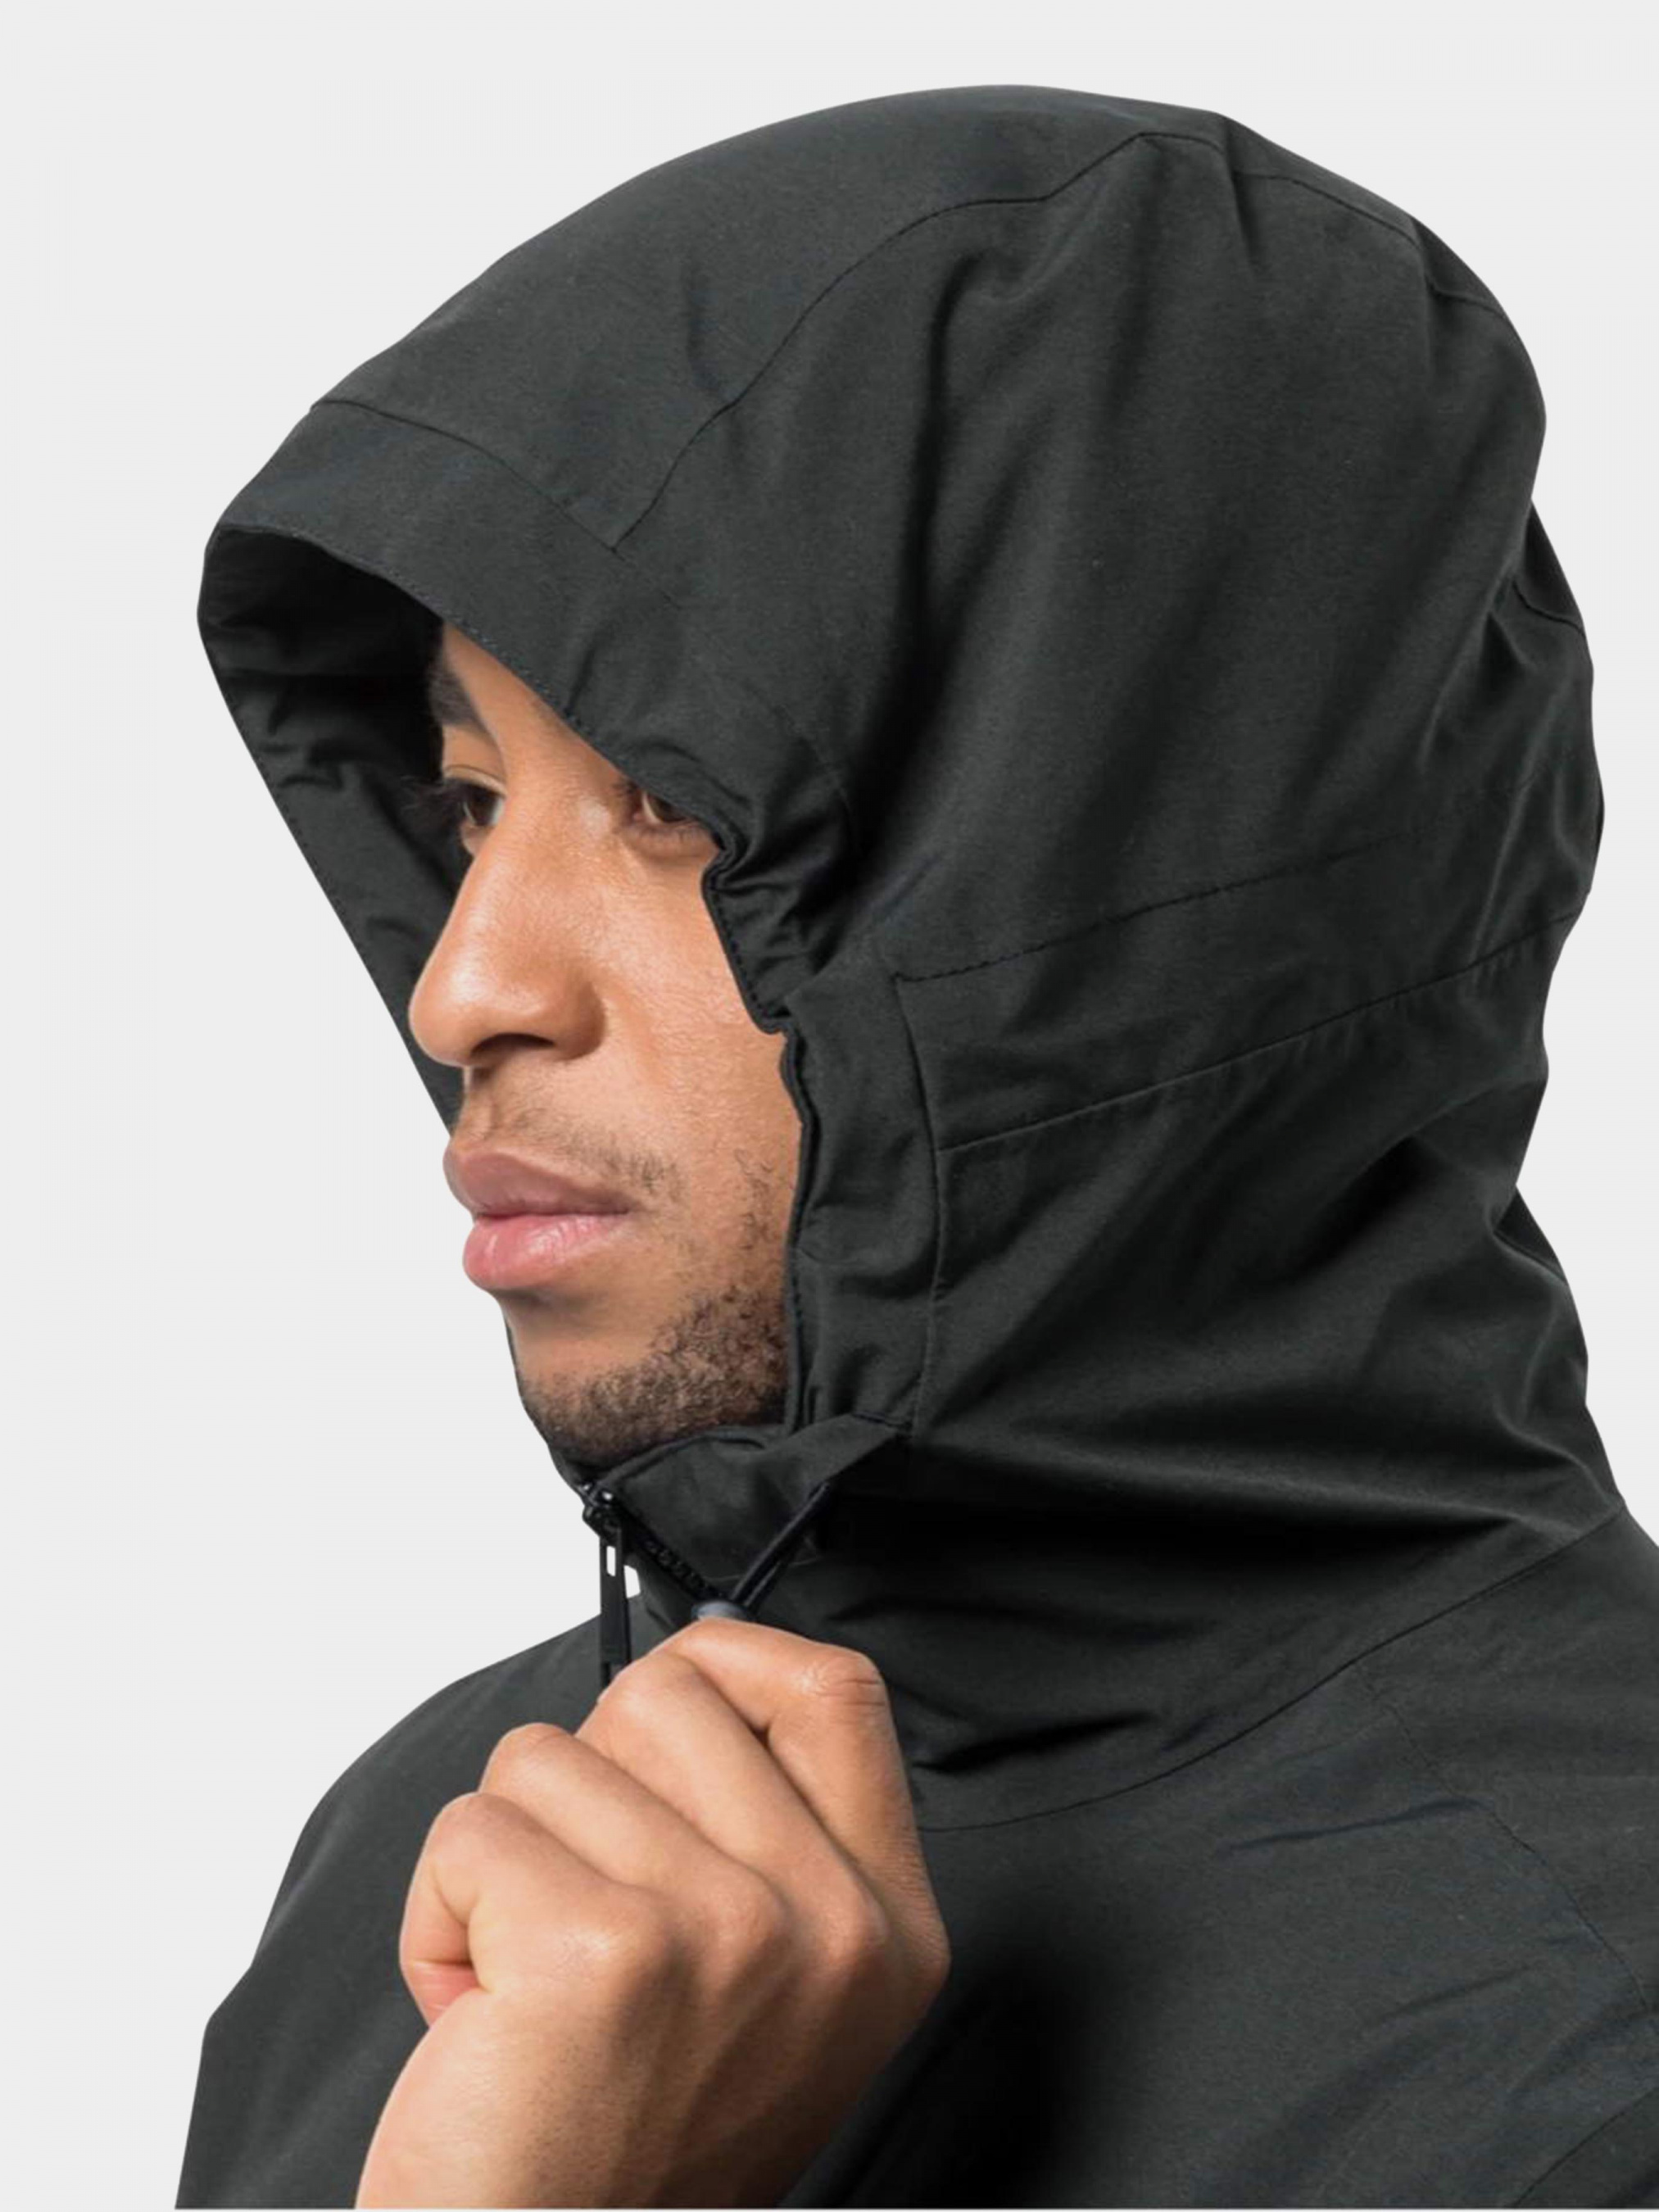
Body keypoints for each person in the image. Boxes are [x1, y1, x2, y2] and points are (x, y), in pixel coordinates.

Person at [175, 83, 1658, 2209]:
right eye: (476, 803)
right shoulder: (449, 1852)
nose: (465, 986)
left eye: (675, 806)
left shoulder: (1591, 2043)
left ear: (1128, 863)